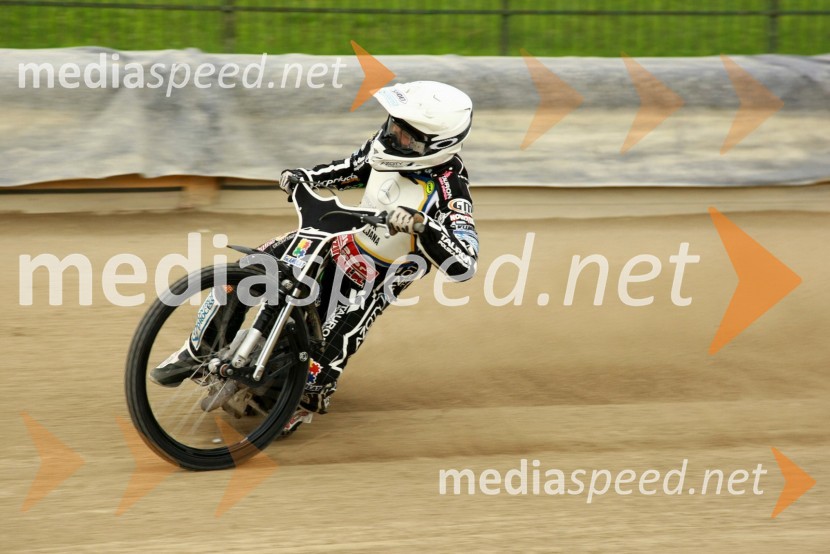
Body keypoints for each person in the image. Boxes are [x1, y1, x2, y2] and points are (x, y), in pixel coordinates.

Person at [151, 81, 479, 436]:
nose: (392, 135)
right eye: (392, 124)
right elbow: (352, 168)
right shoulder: (385, 146)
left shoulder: (450, 190)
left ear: (438, 145)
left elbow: (465, 262)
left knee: (320, 361)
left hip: (372, 278)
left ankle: (300, 400)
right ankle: (199, 350)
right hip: (335, 238)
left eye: (405, 135)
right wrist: (305, 177)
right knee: (246, 272)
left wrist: (424, 226)